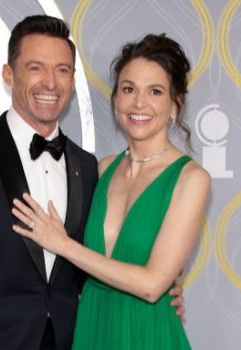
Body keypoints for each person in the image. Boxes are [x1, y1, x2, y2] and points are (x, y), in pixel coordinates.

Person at [0, 16, 183, 350]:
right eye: (36, 68)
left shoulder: (88, 167)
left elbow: (92, 261)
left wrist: (152, 285)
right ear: (9, 75)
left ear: (72, 82)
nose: (50, 83)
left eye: (62, 70)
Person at [12, 33, 210, 349]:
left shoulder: (191, 179)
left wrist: (62, 244)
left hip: (147, 334)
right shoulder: (100, 169)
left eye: (155, 91)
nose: (139, 103)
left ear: (175, 103)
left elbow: (150, 285)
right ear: (116, 99)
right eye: (128, 89)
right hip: (93, 326)